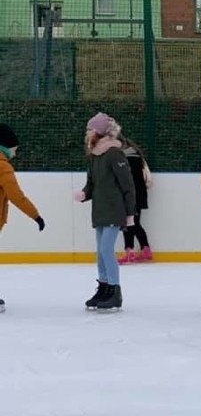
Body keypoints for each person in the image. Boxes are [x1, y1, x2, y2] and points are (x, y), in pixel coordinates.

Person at [74, 113, 136, 312]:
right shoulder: (94, 155)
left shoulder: (114, 154)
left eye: (90, 130)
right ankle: (103, 288)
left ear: (99, 132)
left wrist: (129, 213)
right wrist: (84, 193)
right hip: (100, 210)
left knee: (106, 251)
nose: (87, 133)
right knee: (100, 253)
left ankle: (114, 291)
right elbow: (92, 183)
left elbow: (128, 185)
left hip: (114, 210)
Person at [0, 123, 45, 313]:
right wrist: (36, 216)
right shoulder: (2, 166)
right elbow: (16, 196)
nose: (15, 154)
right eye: (14, 150)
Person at [117, 135, 154, 264]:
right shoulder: (138, 157)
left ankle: (129, 251)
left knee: (128, 223)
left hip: (129, 195)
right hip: (140, 195)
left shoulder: (122, 158)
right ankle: (146, 249)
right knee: (136, 223)